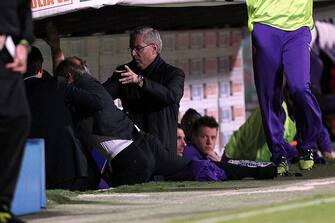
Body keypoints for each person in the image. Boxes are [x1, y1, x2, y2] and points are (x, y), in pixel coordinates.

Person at [247, 0, 323, 174]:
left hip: (298, 26)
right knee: (269, 94)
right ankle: (278, 154)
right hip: (264, 22)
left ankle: (308, 145)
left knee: (300, 88)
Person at [24, 46, 100, 190]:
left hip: (29, 175)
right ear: (40, 69)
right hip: (68, 168)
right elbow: (94, 102)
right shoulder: (56, 85)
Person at [103, 26, 185, 153]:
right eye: (132, 48)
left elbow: (171, 95)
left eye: (138, 48)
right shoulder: (125, 71)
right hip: (134, 150)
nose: (133, 53)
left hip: (162, 153)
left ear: (154, 48)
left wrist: (140, 81)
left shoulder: (173, 74)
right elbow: (102, 96)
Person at [0, 1, 34, 222]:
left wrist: (24, 46)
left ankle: (2, 205)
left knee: (18, 119)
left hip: (8, 56)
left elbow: (25, 16)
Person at [184, 116, 277, 180]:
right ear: (194, 137)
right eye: (204, 137)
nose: (209, 142)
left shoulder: (209, 155)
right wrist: (219, 164)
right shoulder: (189, 152)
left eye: (213, 137)